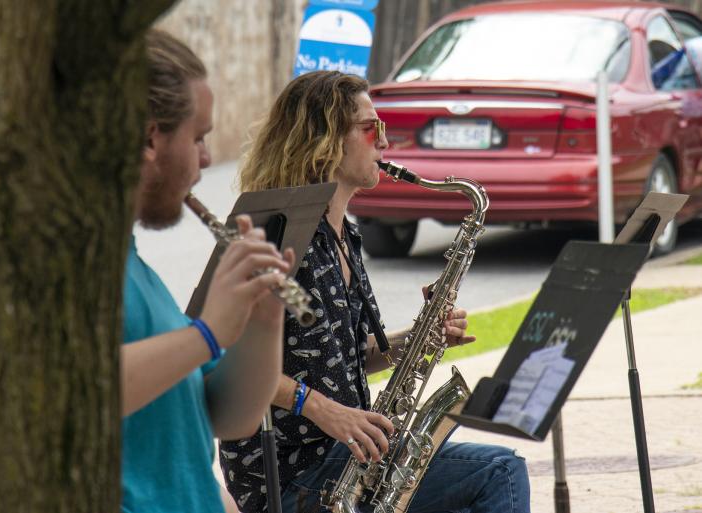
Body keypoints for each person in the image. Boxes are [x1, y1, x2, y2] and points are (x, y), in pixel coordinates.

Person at [220, 70, 531, 513]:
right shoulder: (276, 231)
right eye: (372, 129)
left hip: (347, 454)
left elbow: (350, 356)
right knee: (499, 473)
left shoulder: (345, 234)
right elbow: (230, 358)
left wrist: (421, 335)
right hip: (289, 470)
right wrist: (323, 409)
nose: (385, 142)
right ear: (325, 138)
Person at [120, 29, 293, 513]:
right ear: (150, 137)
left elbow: (230, 415)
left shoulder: (136, 266)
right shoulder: (72, 266)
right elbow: (77, 391)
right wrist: (208, 332)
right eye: (197, 137)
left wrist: (264, 321)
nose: (207, 159)